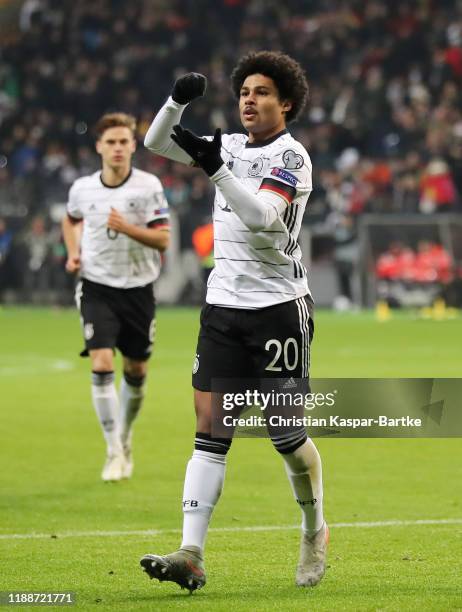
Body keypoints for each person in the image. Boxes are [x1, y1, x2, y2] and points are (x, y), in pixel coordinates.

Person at [141, 51, 327, 591]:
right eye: (244, 91)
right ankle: (191, 553)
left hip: (279, 309)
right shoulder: (227, 145)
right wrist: (176, 102)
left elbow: (262, 214)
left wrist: (213, 166)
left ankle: (315, 530)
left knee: (286, 437)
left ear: (286, 103)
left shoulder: (292, 158)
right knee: (209, 431)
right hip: (223, 307)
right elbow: (155, 143)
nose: (249, 98)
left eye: (262, 91)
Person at [62, 113, 170, 482]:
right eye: (111, 142)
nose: (118, 148)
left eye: (124, 141)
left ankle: (124, 437)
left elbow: (164, 239)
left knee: (136, 370)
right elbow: (70, 219)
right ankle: (113, 449)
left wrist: (127, 227)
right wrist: (73, 251)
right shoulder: (82, 189)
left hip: (139, 289)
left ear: (133, 146)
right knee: (103, 362)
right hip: (97, 287)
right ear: (99, 147)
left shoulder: (148, 187)